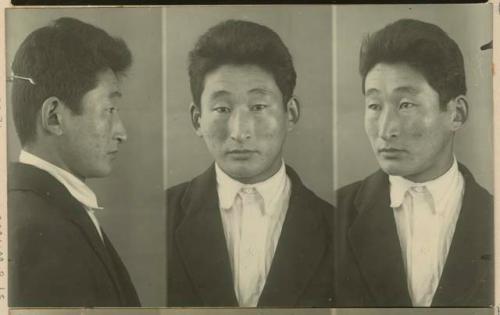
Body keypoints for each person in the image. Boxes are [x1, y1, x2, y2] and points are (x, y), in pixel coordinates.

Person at [167, 19, 334, 307]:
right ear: (197, 119)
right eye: (222, 108)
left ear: (290, 113)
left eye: (258, 107)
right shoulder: (162, 217)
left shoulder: (336, 227)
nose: (239, 131)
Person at [336, 19, 493, 307]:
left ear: (456, 114)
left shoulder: (492, 218)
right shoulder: (332, 215)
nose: (385, 129)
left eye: (405, 104)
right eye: (374, 106)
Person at [8, 17, 140, 307]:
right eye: (109, 109)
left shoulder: (39, 211)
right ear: (54, 116)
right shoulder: (41, 233)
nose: (122, 133)